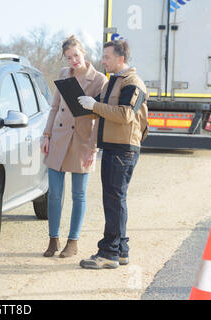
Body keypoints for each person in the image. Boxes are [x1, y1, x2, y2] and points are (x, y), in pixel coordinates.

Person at [77, 39, 149, 269]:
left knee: (114, 201)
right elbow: (98, 110)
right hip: (112, 147)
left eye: (107, 57)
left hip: (123, 150)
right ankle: (121, 250)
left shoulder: (133, 82)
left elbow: (125, 114)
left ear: (121, 58)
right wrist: (81, 104)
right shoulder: (111, 83)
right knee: (116, 200)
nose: (103, 60)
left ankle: (108, 253)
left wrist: (94, 106)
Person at [41, 35, 107, 258]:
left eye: (76, 55)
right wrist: (46, 135)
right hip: (58, 138)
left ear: (84, 53)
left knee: (78, 194)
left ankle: (73, 241)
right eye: (69, 57)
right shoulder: (62, 75)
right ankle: (53, 240)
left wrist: (94, 148)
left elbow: (100, 117)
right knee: (54, 195)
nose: (73, 60)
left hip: (82, 141)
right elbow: (54, 107)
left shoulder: (99, 80)